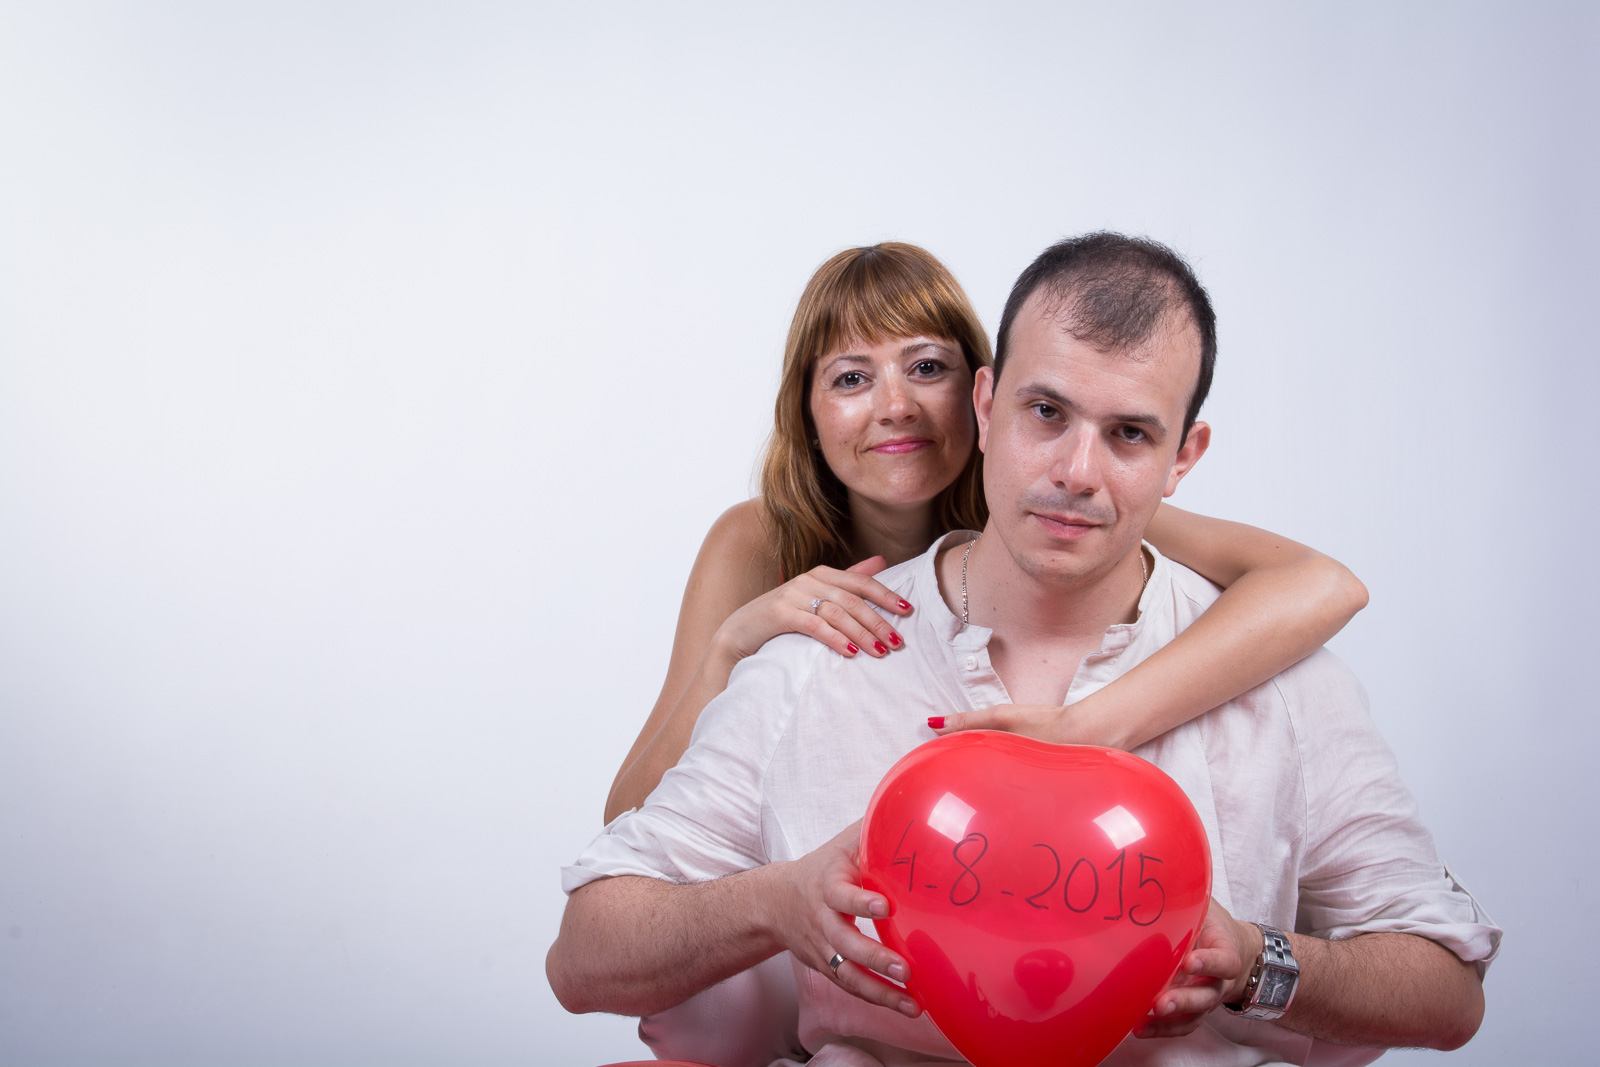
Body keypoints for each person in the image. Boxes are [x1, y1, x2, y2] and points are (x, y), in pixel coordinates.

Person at [549, 233, 1499, 1066]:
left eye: (1129, 433)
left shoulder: (1281, 678)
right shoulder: (816, 640)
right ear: (992, 403)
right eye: (1046, 413)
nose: (1075, 473)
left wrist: (1256, 961)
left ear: (1185, 457)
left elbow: (1449, 993)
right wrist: (777, 899)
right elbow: (587, 950)